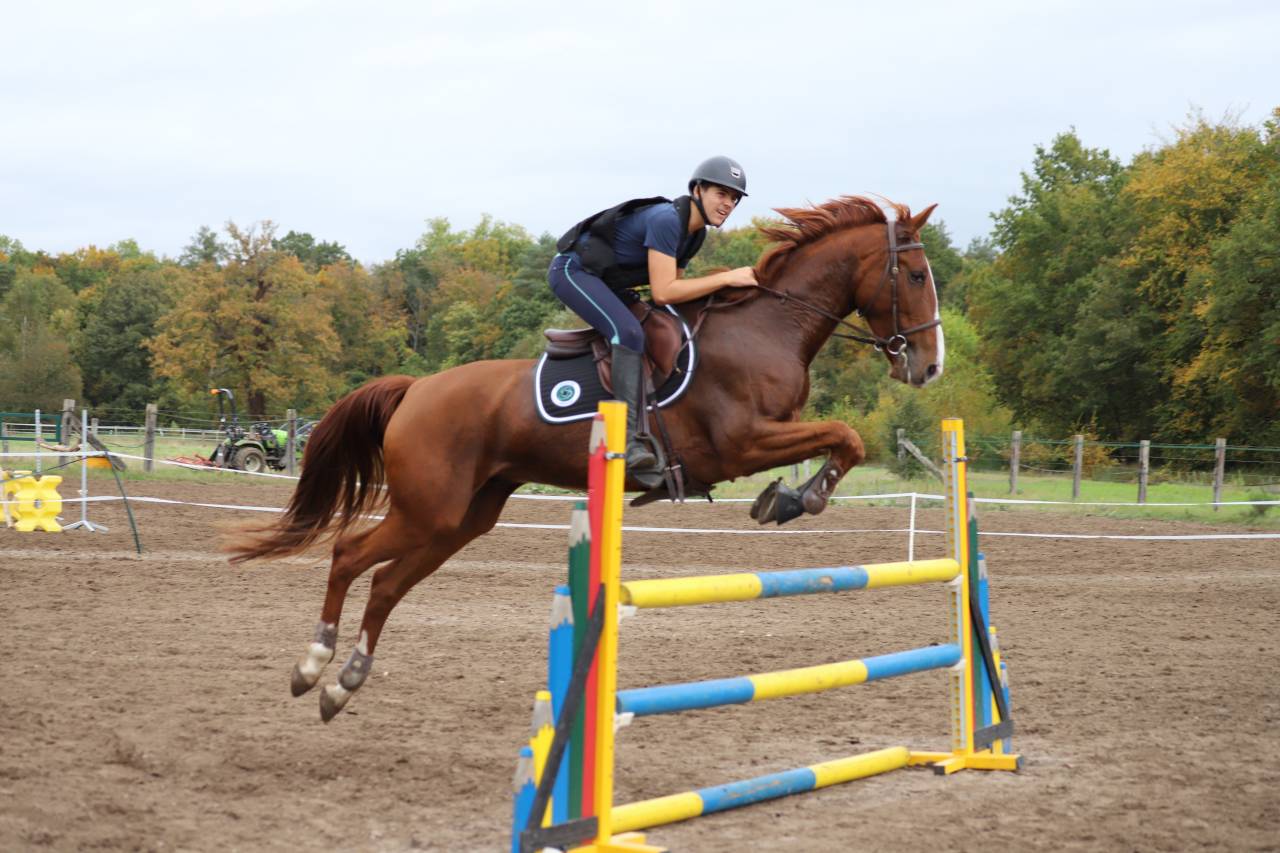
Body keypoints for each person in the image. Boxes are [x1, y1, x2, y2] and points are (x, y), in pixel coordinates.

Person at [549, 156, 758, 487]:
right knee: (628, 333)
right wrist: (727, 278)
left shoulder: (695, 235)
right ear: (697, 189)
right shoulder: (666, 221)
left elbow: (675, 296)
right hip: (573, 272)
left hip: (609, 282)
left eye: (734, 198)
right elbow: (664, 291)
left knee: (661, 326)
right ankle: (627, 441)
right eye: (721, 193)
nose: (728, 203)